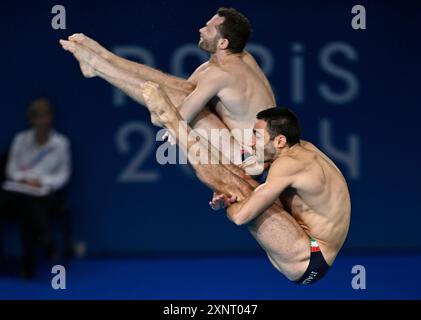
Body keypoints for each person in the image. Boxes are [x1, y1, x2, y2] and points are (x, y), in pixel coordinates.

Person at [141, 82, 351, 285]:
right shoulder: (301, 148)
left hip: (309, 258)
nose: (250, 142)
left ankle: (172, 121)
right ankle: (176, 123)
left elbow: (241, 217)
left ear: (279, 141)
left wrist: (230, 204)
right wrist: (225, 188)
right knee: (234, 180)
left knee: (236, 186)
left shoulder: (289, 164)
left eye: (257, 136)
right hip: (310, 247)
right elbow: (243, 169)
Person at [59, 7, 275, 165]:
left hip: (251, 160)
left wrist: (164, 115)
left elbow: (172, 118)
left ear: (223, 43)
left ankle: (98, 67)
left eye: (208, 29)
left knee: (171, 103)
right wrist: (106, 56)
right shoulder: (241, 58)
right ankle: (102, 58)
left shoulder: (220, 75)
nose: (200, 29)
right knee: (177, 88)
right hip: (260, 149)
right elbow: (176, 87)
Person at [0, 98, 72, 278]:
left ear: (51, 118)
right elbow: (11, 170)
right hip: (18, 193)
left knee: (30, 208)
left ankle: (31, 263)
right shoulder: (20, 140)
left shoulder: (61, 143)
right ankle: (45, 241)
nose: (41, 121)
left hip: (47, 195)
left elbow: (63, 175)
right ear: (31, 120)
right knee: (28, 206)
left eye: (45, 116)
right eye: (37, 117)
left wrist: (41, 182)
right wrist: (25, 180)